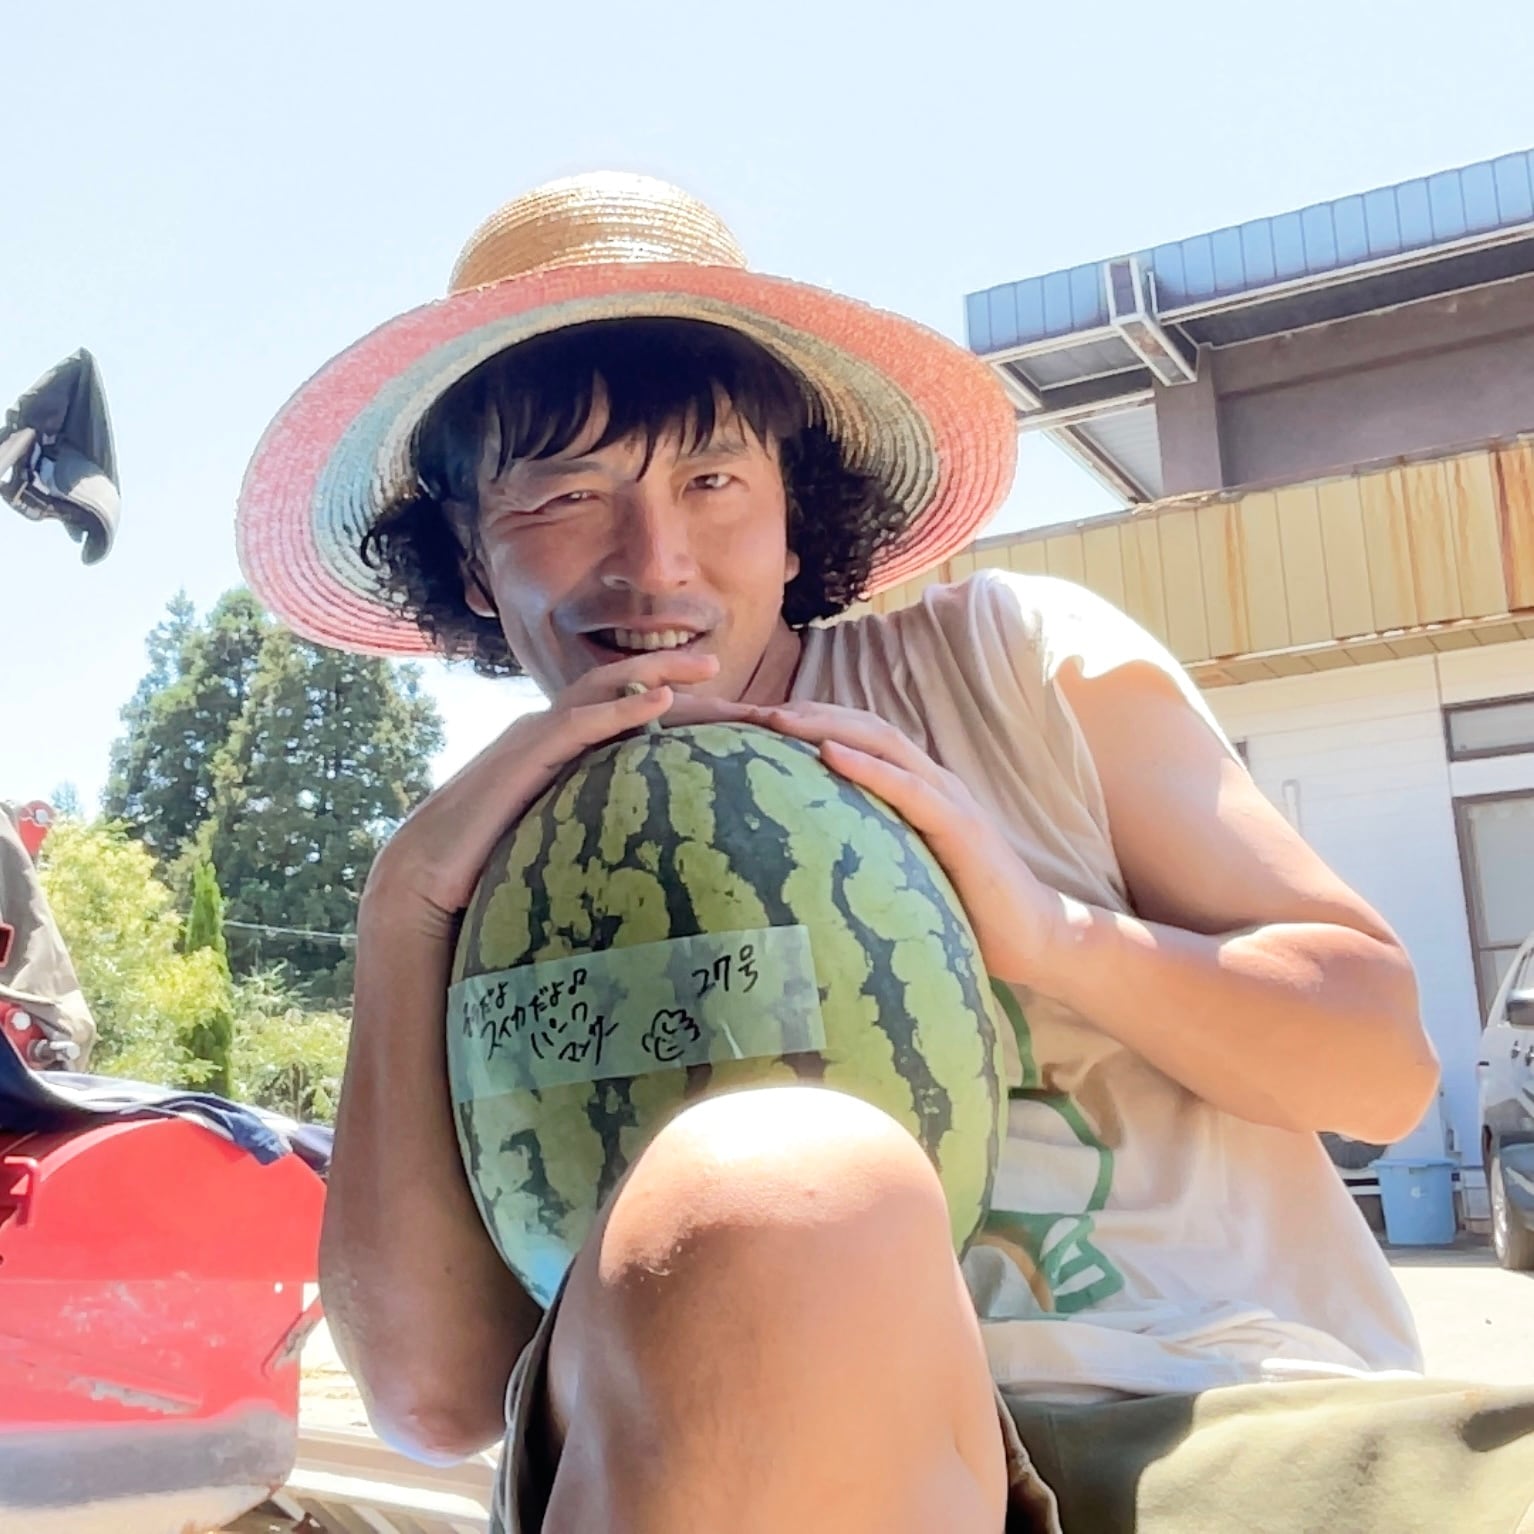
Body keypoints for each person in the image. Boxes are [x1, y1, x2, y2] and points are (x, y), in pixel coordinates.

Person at [237, 173, 1534, 1533]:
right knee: (776, 1179)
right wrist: (403, 913)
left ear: (794, 510)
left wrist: (1052, 936)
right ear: (468, 556)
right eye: (565, 496)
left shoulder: (1007, 665)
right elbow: (435, 1399)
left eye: (712, 479)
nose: (654, 561)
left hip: (1198, 1423)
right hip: (742, 1463)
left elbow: (1381, 1071)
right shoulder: (469, 861)